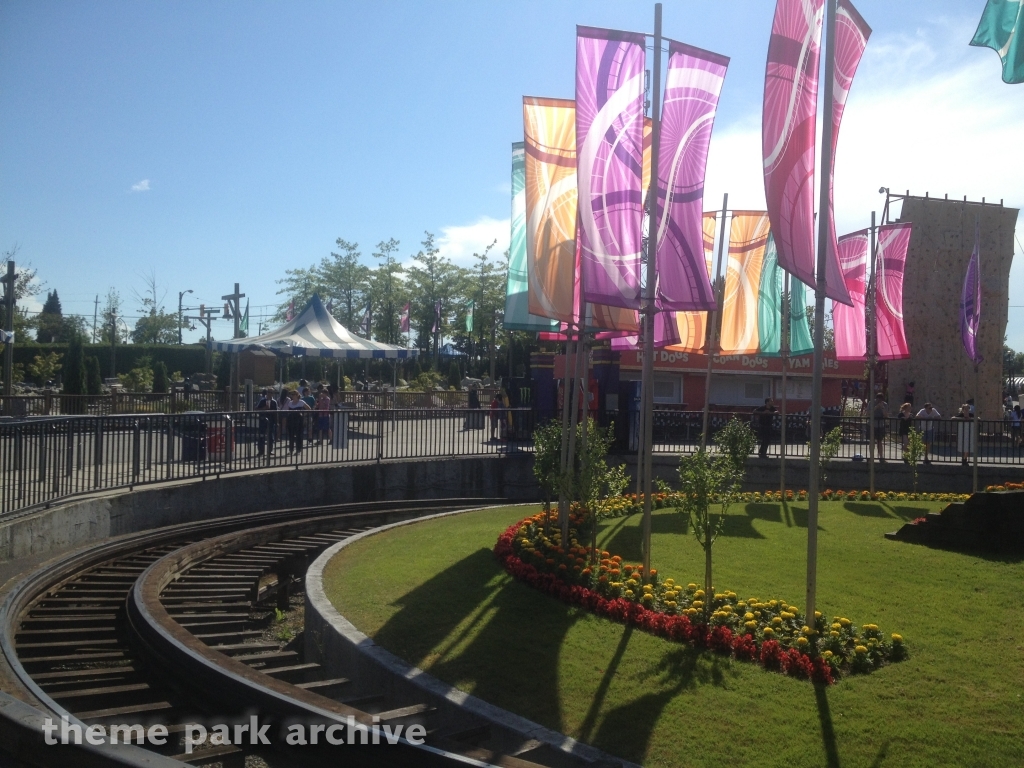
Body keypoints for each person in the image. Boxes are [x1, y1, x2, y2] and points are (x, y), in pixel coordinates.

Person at [284, 389, 311, 454]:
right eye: (291, 395)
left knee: (299, 435)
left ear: (297, 395)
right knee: (291, 435)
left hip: (299, 420)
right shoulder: (290, 403)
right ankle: (291, 449)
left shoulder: (301, 402)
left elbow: (309, 408)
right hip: (291, 420)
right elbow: (288, 411)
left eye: (293, 394)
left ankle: (298, 449)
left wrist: (304, 414)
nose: (292, 396)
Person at [255, 388, 278, 457]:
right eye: (268, 392)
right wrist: (263, 408)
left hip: (271, 421)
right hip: (263, 420)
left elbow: (276, 413)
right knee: (261, 436)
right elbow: (256, 409)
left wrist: (277, 422)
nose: (269, 394)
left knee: (271, 436)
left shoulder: (274, 402)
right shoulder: (262, 401)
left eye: (271, 392)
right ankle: (261, 451)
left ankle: (270, 450)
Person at [872, 394, 888, 463]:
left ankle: (881, 456)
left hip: (880, 425)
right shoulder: (871, 403)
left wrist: (882, 408)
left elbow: (886, 415)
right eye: (878, 400)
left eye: (880, 400)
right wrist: (876, 407)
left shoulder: (885, 404)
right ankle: (871, 456)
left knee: (879, 441)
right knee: (872, 441)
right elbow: (868, 413)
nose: (879, 401)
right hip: (872, 425)